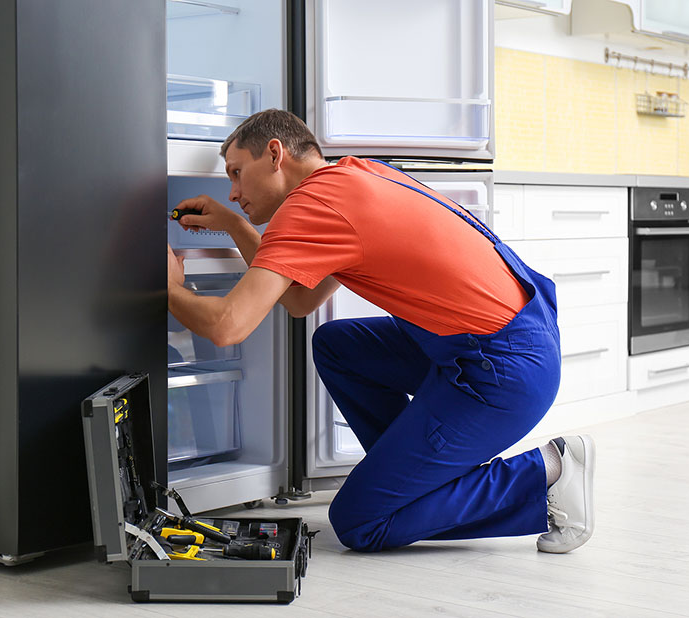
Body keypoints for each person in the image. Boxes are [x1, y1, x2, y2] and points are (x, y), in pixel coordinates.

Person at [167, 109, 595, 554]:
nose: (233, 193)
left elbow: (226, 325)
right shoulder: (361, 173)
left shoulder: (310, 207)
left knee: (361, 523)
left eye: (237, 173)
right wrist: (237, 226)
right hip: (519, 341)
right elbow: (300, 300)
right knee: (337, 346)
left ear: (275, 154)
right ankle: (406, 480)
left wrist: (168, 286)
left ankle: (548, 472)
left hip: (499, 373)